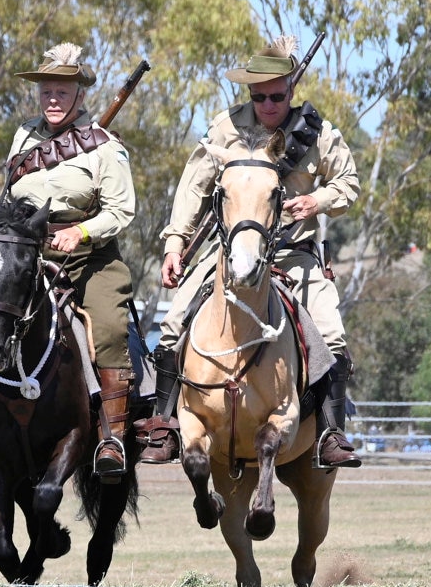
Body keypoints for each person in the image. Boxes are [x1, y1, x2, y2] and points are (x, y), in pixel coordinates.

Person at [141, 34, 362, 468]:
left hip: (292, 254)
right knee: (171, 324)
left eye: (276, 96)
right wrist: (174, 244)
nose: (267, 105)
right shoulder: (226, 127)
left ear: (291, 90)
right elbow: (193, 188)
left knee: (332, 333)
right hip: (227, 254)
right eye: (258, 96)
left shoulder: (319, 134)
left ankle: (331, 434)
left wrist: (315, 202)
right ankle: (164, 424)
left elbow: (349, 184)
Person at [0, 43, 137, 477]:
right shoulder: (25, 137)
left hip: (89, 256)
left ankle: (112, 439)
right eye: (46, 91)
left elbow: (121, 212)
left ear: (80, 96)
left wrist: (80, 231)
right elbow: (8, 205)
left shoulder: (106, 148)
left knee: (108, 324)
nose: (53, 100)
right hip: (20, 251)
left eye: (62, 93)